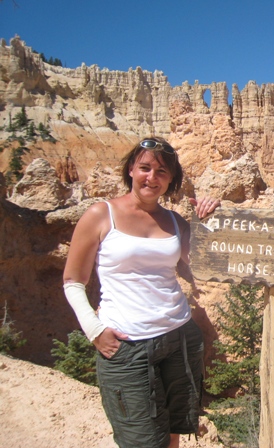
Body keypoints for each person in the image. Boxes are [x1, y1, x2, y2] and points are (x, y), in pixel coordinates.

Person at [63, 136, 220, 448]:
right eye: (145, 168)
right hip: (127, 346)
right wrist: (94, 330)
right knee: (142, 440)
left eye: (162, 172)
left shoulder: (174, 221)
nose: (152, 177)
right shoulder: (100, 214)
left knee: (174, 429)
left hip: (179, 336)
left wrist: (207, 223)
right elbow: (73, 281)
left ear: (171, 180)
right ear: (131, 170)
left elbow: (203, 265)